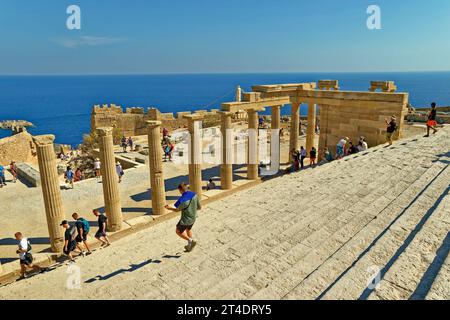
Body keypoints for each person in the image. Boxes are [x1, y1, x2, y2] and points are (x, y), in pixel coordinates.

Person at [165, 183, 202, 252]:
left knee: (178, 231)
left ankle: (191, 240)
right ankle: (190, 246)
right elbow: (199, 207)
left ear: (180, 190)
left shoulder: (182, 200)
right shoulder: (194, 195)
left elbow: (176, 210)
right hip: (193, 217)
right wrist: (192, 209)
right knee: (188, 229)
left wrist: (169, 208)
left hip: (186, 220)